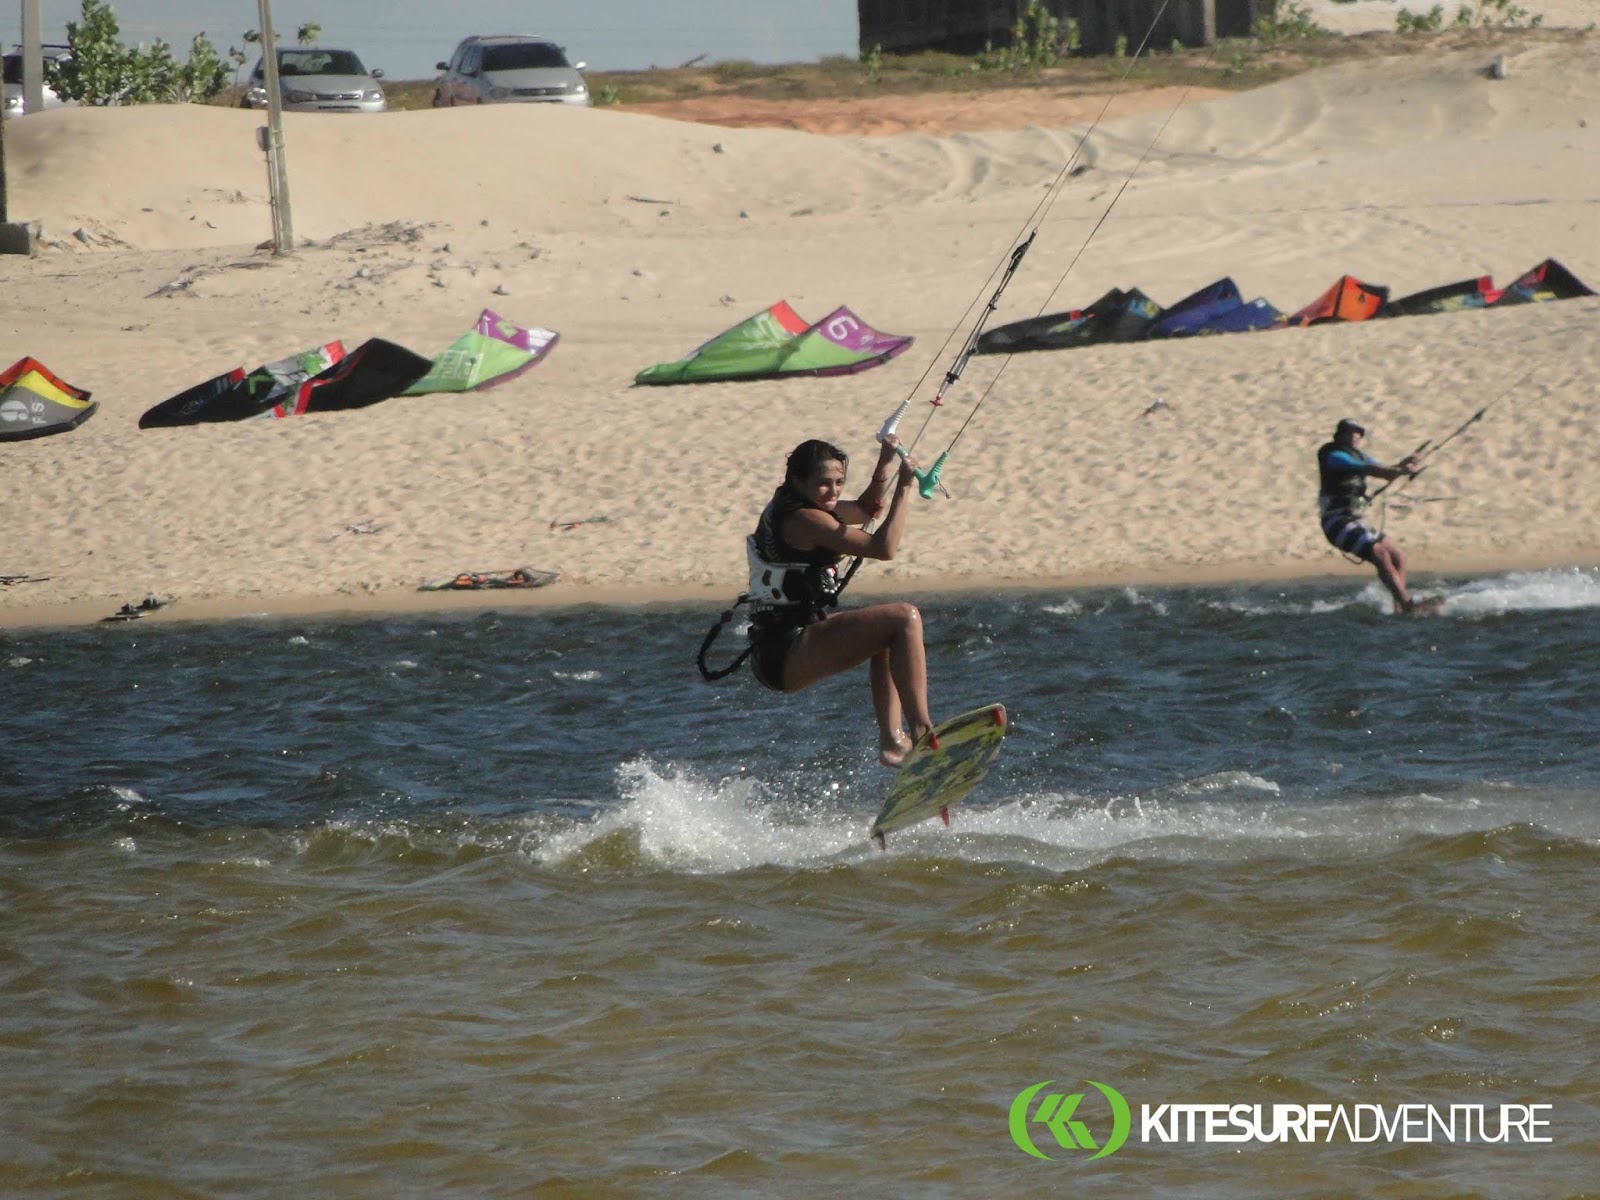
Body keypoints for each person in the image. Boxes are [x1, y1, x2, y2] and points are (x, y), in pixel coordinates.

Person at [745, 436, 934, 766]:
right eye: (823, 484)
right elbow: (883, 549)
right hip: (784, 649)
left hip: (786, 646)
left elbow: (863, 510)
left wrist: (884, 461)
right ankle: (923, 732)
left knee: (887, 634)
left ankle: (893, 743)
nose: (833, 492)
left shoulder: (799, 507)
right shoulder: (805, 520)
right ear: (797, 481)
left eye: (839, 482)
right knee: (904, 618)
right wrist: (904, 488)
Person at [1317, 417, 1423, 613]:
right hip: (1336, 522)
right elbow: (1372, 470)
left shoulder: (1359, 456)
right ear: (1339, 435)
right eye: (1350, 432)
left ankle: (1399, 609)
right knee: (1379, 553)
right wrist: (1400, 470)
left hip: (1356, 521)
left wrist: (1405, 464)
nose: (1355, 436)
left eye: (1358, 433)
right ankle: (1408, 605)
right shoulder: (1332, 455)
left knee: (1397, 556)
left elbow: (1387, 471)